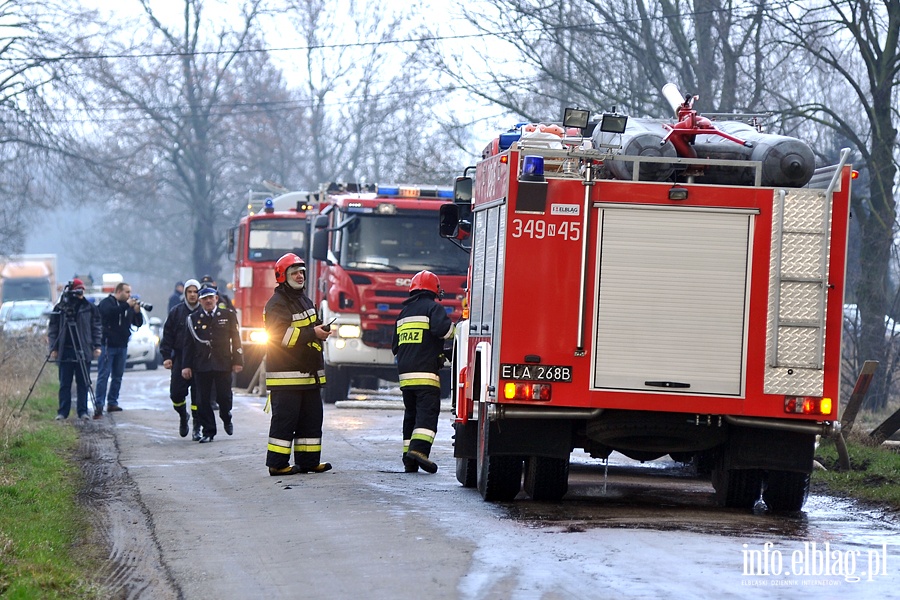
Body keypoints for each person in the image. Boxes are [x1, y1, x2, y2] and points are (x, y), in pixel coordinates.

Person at [263, 253, 333, 476]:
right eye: (295, 272)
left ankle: (309, 461)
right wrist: (313, 333)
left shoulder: (303, 299)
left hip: (309, 375)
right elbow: (280, 337)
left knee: (311, 420)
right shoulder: (276, 304)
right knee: (285, 421)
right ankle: (277, 464)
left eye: (302, 272)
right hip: (287, 375)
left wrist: (321, 328)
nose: (300, 276)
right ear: (282, 276)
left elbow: (309, 325)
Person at [391, 270, 455, 474]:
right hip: (426, 374)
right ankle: (419, 451)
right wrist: (459, 329)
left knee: (411, 415)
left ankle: (408, 459)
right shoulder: (433, 308)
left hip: (405, 377)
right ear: (435, 290)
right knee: (426, 414)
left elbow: (395, 346)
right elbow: (444, 331)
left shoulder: (403, 313)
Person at [181, 287, 242, 443]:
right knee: (202, 400)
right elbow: (188, 344)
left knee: (224, 397)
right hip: (202, 364)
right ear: (200, 301)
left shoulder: (227, 315)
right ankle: (209, 431)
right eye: (204, 299)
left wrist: (238, 360)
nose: (208, 301)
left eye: (211, 298)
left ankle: (226, 416)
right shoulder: (193, 318)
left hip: (223, 363)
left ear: (216, 298)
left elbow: (236, 340)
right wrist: (186, 366)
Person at [48, 279, 102, 420]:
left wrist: (97, 346)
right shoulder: (61, 308)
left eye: (82, 290)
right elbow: (53, 329)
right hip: (65, 350)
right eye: (78, 290)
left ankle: (83, 411)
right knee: (65, 383)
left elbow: (96, 328)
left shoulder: (89, 308)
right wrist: (53, 347)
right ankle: (62, 412)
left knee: (83, 383)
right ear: (71, 291)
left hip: (83, 349)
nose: (80, 293)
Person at [94, 282, 143, 417]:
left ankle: (112, 402)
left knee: (118, 376)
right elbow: (109, 313)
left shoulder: (127, 307)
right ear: (119, 291)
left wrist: (137, 312)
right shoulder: (107, 303)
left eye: (130, 292)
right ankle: (99, 403)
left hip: (122, 345)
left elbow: (137, 323)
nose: (129, 295)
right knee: (104, 375)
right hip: (108, 345)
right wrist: (127, 305)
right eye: (127, 292)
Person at [160, 279, 201, 439]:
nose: (192, 295)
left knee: (198, 397)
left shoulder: (203, 313)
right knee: (176, 394)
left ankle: (197, 427)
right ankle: (183, 416)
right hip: (179, 358)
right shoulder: (176, 312)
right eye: (189, 292)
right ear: (184, 293)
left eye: (195, 292)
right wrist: (166, 356)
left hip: (199, 360)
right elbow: (168, 335)